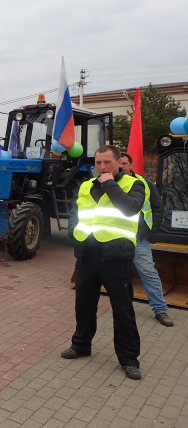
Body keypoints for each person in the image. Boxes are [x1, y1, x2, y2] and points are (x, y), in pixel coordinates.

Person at [62, 145, 145, 380]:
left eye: (107, 162)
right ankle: (81, 345)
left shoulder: (134, 184)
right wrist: (73, 232)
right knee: (84, 305)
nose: (101, 167)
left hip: (116, 257)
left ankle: (129, 359)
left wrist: (109, 183)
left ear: (119, 163)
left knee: (123, 310)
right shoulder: (87, 185)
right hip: (88, 255)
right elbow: (76, 213)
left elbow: (130, 209)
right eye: (98, 163)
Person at [119, 153, 173, 327]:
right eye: (118, 164)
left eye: (124, 163)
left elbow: (158, 208)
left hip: (138, 239)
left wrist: (151, 232)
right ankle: (119, 309)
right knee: (115, 274)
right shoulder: (109, 185)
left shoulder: (145, 184)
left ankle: (160, 309)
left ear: (131, 165)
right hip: (116, 238)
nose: (121, 167)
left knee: (148, 272)